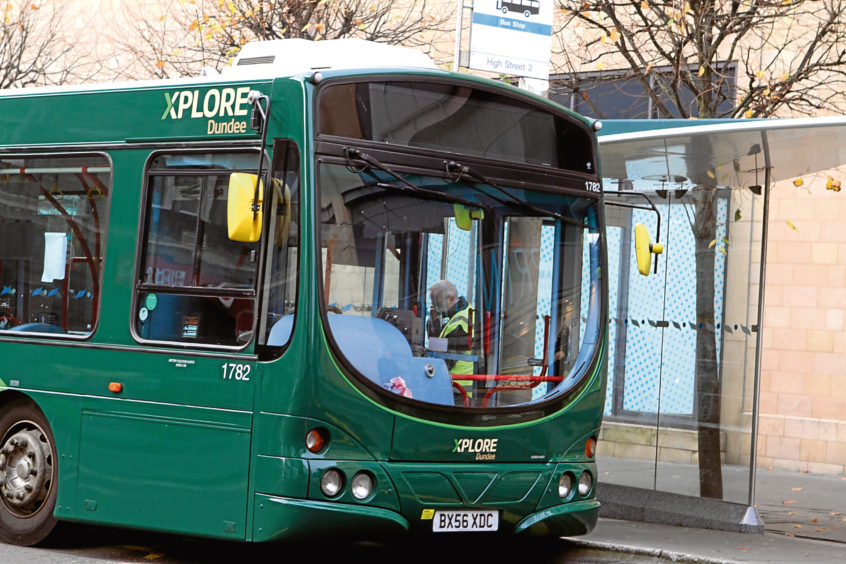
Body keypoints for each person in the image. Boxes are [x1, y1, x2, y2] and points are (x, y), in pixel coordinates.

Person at [428, 280, 474, 397]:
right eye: (433, 303)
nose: (435, 308)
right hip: (452, 385)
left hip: (457, 389)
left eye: (437, 303)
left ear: (451, 299)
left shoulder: (460, 322)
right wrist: (434, 322)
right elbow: (442, 345)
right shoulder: (456, 317)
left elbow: (445, 359)